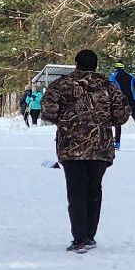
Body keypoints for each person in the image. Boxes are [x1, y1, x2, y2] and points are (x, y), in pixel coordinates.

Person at [38, 50, 127, 252]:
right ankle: (89, 235)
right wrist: (104, 120)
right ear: (96, 65)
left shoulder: (61, 85)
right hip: (100, 147)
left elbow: (48, 111)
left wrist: (65, 120)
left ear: (76, 63)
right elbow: (122, 115)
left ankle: (79, 238)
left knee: (76, 191)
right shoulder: (108, 86)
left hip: (71, 147)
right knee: (94, 189)